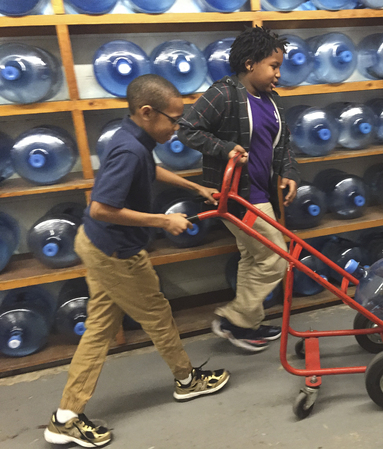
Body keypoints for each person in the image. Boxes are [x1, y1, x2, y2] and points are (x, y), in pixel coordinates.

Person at [44, 74, 230, 448]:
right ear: (147, 112)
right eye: (173, 119)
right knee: (158, 315)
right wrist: (163, 220)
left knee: (99, 328)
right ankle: (186, 380)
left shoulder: (131, 140)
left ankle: (65, 417)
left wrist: (194, 187)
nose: (177, 127)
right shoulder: (130, 149)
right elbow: (101, 208)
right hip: (115, 253)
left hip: (98, 246)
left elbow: (148, 169)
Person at [178, 26, 300, 353]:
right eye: (274, 66)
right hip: (237, 196)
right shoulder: (224, 94)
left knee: (252, 256)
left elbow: (283, 143)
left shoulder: (272, 102)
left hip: (262, 192)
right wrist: (225, 148)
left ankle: (249, 324)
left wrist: (287, 171)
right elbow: (187, 130)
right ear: (250, 63)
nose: (278, 73)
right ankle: (235, 318)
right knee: (276, 258)